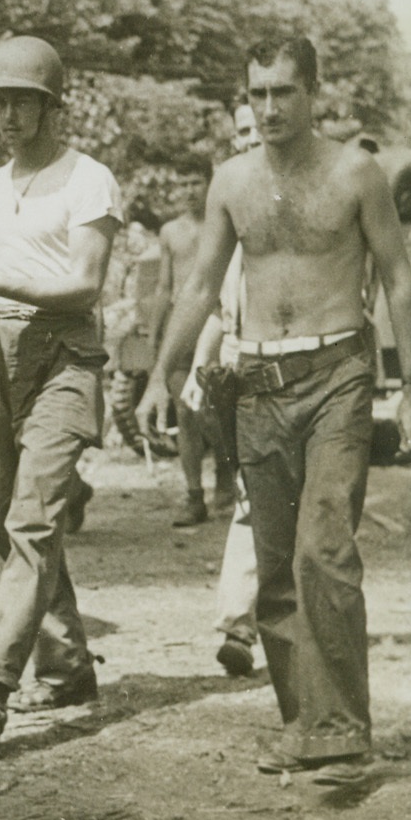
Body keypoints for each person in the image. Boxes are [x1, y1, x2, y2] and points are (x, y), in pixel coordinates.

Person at [137, 36, 411, 786]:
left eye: (283, 93)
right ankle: (306, 724)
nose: (267, 108)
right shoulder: (231, 181)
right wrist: (161, 375)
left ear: (313, 93)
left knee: (323, 549)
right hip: (258, 385)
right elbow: (201, 285)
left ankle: (343, 730)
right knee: (273, 571)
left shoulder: (354, 173)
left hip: (338, 375)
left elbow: (398, 280)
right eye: (257, 93)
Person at [0, 37, 123, 744]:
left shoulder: (88, 179)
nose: (8, 117)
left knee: (31, 522)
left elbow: (84, 283)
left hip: (64, 358)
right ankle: (69, 665)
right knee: (5, 524)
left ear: (53, 108)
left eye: (22, 102)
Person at [179, 104, 263, 676]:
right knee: (251, 494)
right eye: (242, 133)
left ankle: (287, 613)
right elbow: (215, 303)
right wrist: (194, 368)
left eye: (257, 128)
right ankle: (239, 623)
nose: (251, 140)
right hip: (242, 366)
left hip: (309, 366)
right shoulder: (231, 207)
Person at [154, 160, 234, 526]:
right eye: (182, 182)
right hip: (179, 327)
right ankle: (193, 496)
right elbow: (164, 287)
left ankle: (224, 476)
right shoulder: (170, 231)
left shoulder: (220, 223)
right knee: (184, 413)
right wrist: (156, 333)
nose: (188, 189)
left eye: (195, 181)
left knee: (213, 411)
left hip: (213, 326)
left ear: (208, 182)